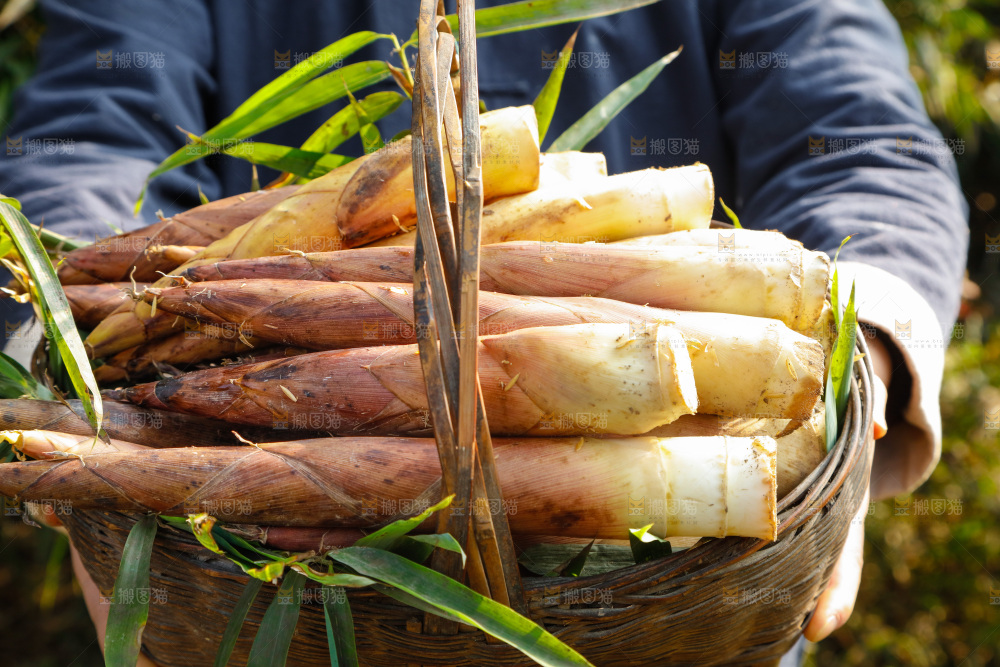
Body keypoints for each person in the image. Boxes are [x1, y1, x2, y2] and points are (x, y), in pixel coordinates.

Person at [0, 1, 968, 664]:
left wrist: (861, 361)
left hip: (690, 542)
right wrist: (87, 374)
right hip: (267, 575)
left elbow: (861, 147)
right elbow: (92, 133)